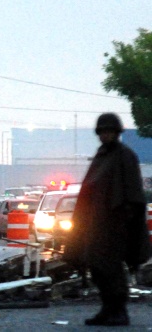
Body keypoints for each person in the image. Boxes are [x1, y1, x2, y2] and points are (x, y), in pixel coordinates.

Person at [64, 113, 151, 326]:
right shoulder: (101, 156)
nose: (105, 135)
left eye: (109, 131)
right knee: (96, 266)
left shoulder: (125, 155)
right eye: (102, 132)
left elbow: (132, 191)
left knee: (111, 267)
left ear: (117, 132)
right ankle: (107, 308)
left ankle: (118, 310)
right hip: (95, 223)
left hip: (116, 223)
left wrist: (127, 220)